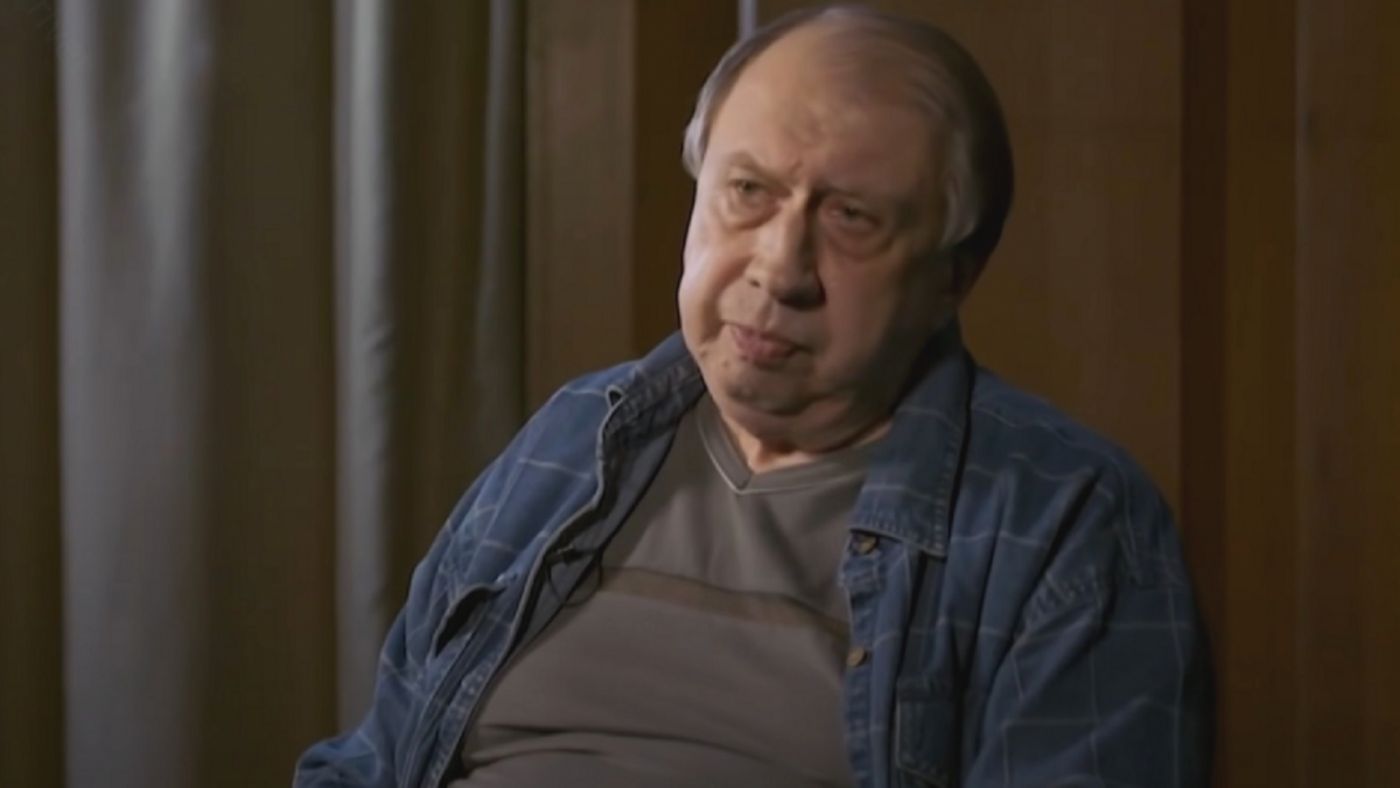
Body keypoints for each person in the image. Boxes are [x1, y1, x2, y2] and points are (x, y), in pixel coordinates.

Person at [295, 5, 1212, 787]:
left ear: (951, 278)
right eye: (747, 191)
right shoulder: (575, 435)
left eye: (850, 218)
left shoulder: (1066, 520)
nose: (779, 268)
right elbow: (375, 761)